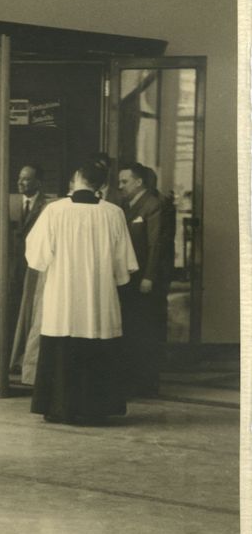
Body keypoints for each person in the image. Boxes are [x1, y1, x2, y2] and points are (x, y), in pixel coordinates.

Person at [26, 160, 138, 425]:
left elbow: (37, 257)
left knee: (62, 346)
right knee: (97, 345)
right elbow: (123, 265)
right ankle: (95, 409)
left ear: (76, 178)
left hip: (63, 296)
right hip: (98, 297)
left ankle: (58, 407)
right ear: (103, 185)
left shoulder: (54, 211)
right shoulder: (113, 213)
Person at [117, 162, 172, 396]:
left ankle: (147, 383)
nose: (120, 186)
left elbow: (155, 244)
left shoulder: (152, 204)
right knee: (132, 329)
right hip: (129, 279)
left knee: (146, 330)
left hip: (145, 280)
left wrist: (149, 276)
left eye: (124, 182)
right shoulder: (125, 205)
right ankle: (132, 380)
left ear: (138, 182)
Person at [9, 163, 49, 386]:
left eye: (26, 179)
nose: (20, 182)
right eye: (19, 178)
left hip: (33, 270)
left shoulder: (47, 206)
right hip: (13, 269)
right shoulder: (12, 203)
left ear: (38, 182)